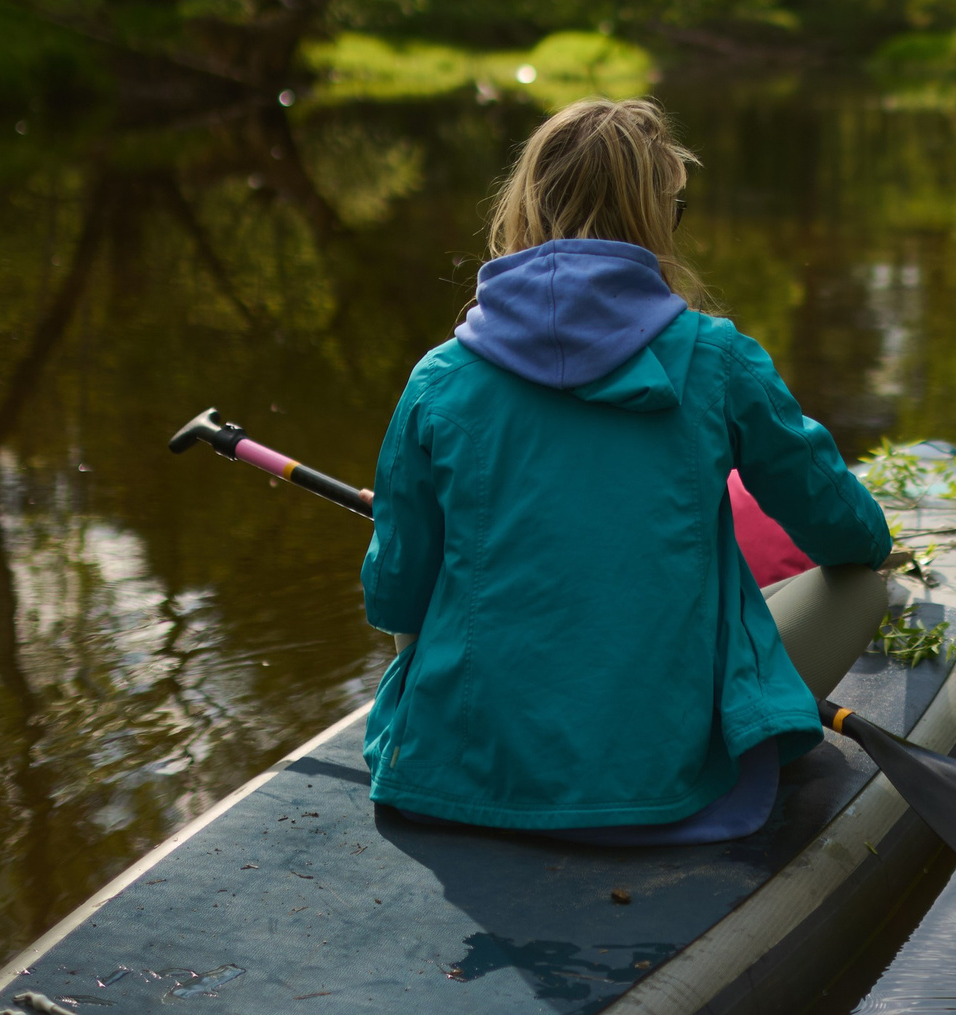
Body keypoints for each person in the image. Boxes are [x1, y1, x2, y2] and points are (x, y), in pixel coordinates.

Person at [362, 97, 894, 844]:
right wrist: (874, 545)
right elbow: (848, 532)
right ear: (654, 220)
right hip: (664, 782)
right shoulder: (718, 360)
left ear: (525, 208)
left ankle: (454, 739)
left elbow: (394, 590)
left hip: (455, 776)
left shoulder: (439, 377)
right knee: (868, 583)